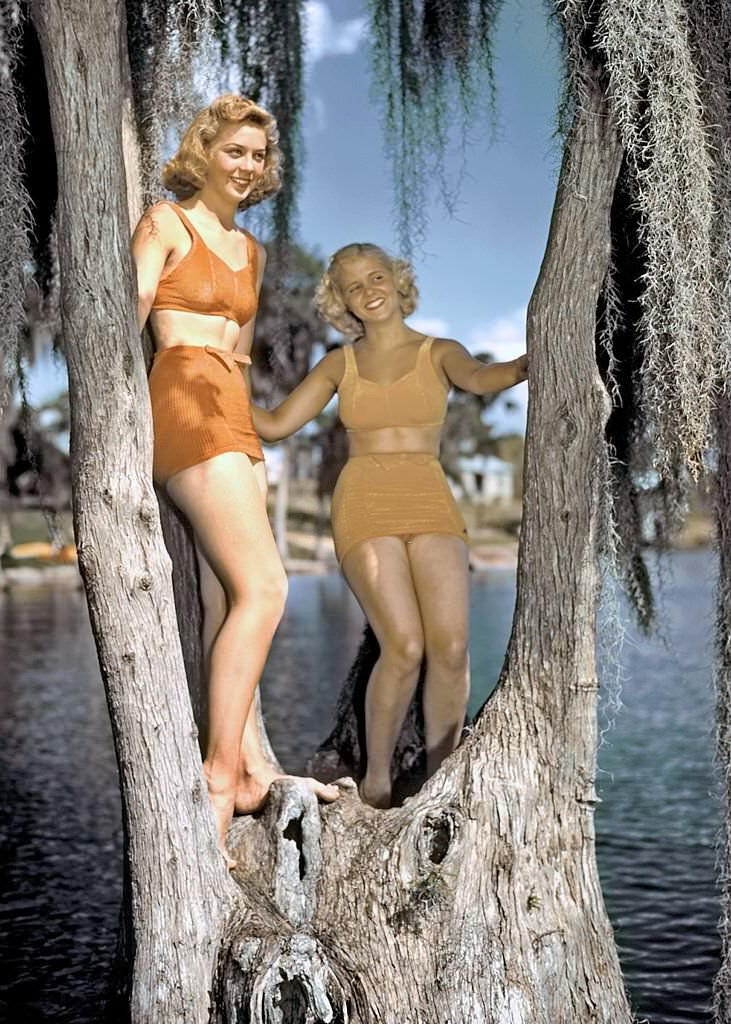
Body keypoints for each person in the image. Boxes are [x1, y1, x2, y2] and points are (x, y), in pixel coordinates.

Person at [131, 94, 337, 865]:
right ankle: (219, 777)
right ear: (204, 150)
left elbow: (242, 356)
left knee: (227, 597)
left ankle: (251, 765)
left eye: (258, 155)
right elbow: (125, 311)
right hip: (181, 395)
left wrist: (263, 435)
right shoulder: (165, 222)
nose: (247, 166)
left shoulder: (249, 252)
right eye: (234, 151)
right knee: (268, 588)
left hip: (233, 411)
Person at [253, 243, 528, 808]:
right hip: (365, 501)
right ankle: (376, 782)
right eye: (353, 286)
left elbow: (481, 379)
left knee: (450, 646)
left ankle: (441, 775)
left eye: (376, 277)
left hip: (429, 497)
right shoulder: (339, 363)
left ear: (398, 282)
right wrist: (214, 372)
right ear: (342, 301)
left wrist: (531, 362)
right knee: (402, 644)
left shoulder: (439, 352)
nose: (368, 290)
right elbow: (277, 424)